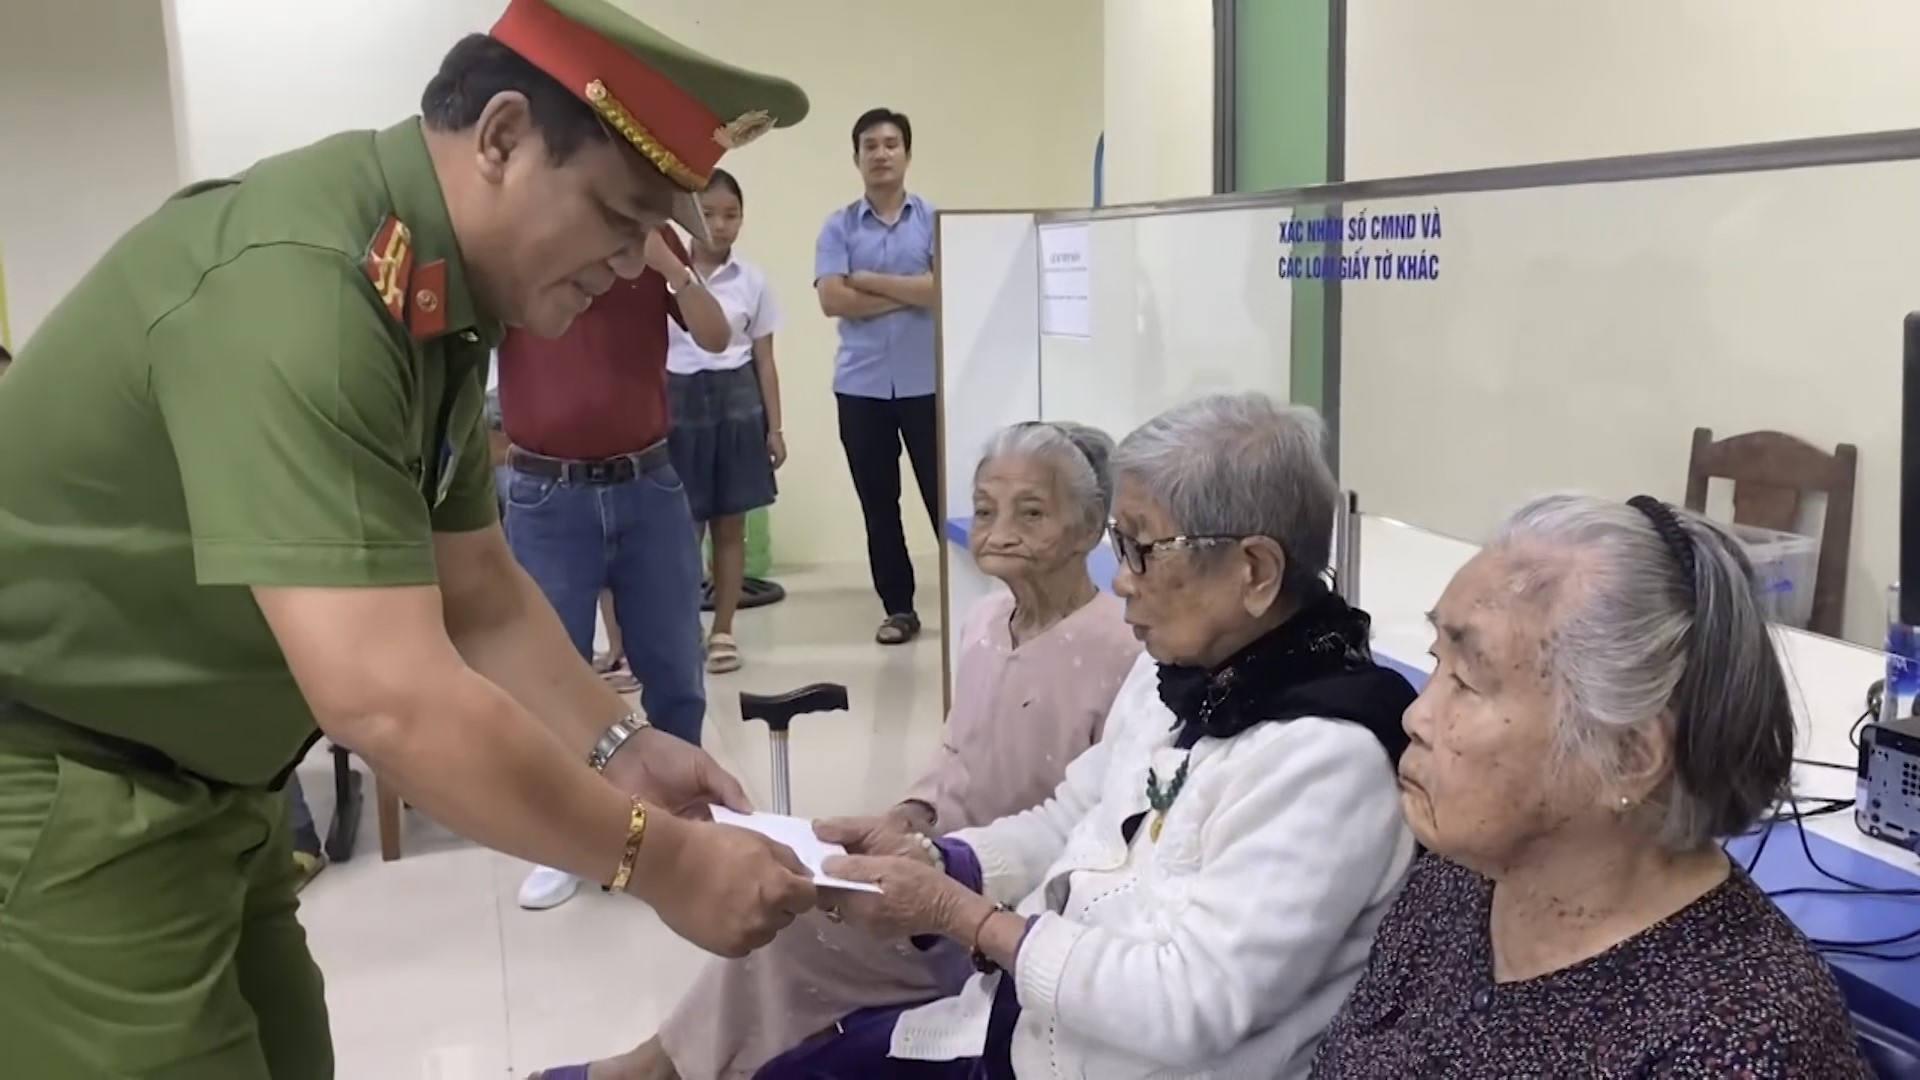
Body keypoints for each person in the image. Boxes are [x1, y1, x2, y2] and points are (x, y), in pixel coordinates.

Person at [0, 2, 821, 1076]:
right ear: (502, 137)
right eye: (619, 219)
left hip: (215, 790)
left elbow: (477, 590)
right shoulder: (305, 287)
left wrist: (622, 748)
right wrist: (660, 864)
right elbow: (387, 697)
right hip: (63, 787)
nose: (631, 266)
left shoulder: (434, 303)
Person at [760, 394, 1421, 1079]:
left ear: (1254, 570)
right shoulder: (1180, 673)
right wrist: (939, 860)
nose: (1123, 579)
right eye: (1118, 544)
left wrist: (964, 917)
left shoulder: (1328, 759)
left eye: (1142, 549)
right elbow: (1072, 818)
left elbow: (1186, 1005)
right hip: (1023, 1027)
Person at [538, 421, 1143, 1079]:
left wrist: (950, 872)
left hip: (1004, 903)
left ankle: (657, 1070)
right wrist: (908, 815)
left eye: (1032, 513)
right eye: (985, 509)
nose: (1000, 531)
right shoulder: (984, 623)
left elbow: (1103, 823)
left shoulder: (1122, 651)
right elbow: (956, 754)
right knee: (791, 897)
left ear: (1089, 529)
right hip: (933, 857)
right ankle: (674, 1065)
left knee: (798, 927)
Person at [1309, 494, 1870, 1077]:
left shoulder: (1745, 1044)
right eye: (1436, 661)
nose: (1415, 717)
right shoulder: (1461, 879)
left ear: (1628, 757)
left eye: (1469, 682)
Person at [493, 45, 739, 913]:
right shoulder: (526, 239)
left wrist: (674, 268)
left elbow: (718, 337)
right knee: (550, 673)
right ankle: (570, 838)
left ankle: (674, 828)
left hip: (648, 483)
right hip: (544, 490)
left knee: (674, 666)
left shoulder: (655, 240)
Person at [815, 107, 939, 646]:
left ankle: (971, 605)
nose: (881, 154)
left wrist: (866, 280)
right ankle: (899, 609)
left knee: (943, 498)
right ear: (856, 157)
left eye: (891, 144)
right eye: (870, 145)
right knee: (879, 504)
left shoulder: (934, 220)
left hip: (926, 384)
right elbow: (831, 299)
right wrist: (910, 291)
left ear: (907, 154)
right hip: (860, 388)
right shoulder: (837, 226)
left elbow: (943, 289)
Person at [665, 167, 785, 675]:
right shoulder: (667, 274)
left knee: (730, 526)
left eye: (730, 215)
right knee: (682, 528)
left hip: (738, 404)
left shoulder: (752, 280)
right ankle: (683, 627)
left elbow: (765, 360)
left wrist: (775, 428)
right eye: (709, 214)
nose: (719, 225)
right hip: (678, 403)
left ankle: (724, 631)